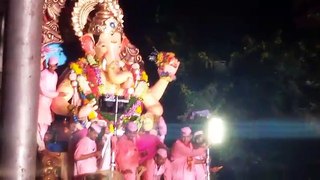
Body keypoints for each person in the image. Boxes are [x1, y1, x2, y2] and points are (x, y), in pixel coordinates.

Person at [37, 57, 65, 152]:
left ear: (56, 66)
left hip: (49, 102)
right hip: (42, 101)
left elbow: (52, 89)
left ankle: (42, 145)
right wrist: (57, 94)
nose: (51, 67)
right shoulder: (43, 74)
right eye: (50, 65)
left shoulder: (55, 75)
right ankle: (40, 146)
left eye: (53, 66)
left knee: (45, 125)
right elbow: (43, 90)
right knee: (40, 124)